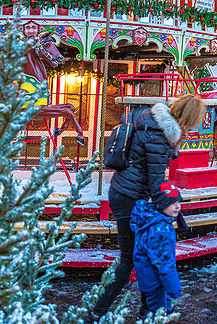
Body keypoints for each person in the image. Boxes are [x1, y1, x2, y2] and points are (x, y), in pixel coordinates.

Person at [87, 95, 205, 321]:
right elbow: (155, 181)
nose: (194, 128)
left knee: (143, 255)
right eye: (194, 122)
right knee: (131, 258)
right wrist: (172, 206)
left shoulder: (154, 123)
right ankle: (98, 312)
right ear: (187, 119)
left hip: (124, 192)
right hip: (130, 197)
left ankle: (146, 312)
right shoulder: (160, 136)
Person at [132, 182, 184, 317]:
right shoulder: (160, 229)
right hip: (156, 282)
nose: (178, 206)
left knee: (149, 307)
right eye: (172, 203)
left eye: (178, 201)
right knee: (157, 313)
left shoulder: (149, 220)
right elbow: (164, 263)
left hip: (147, 278)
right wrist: (174, 287)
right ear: (161, 204)